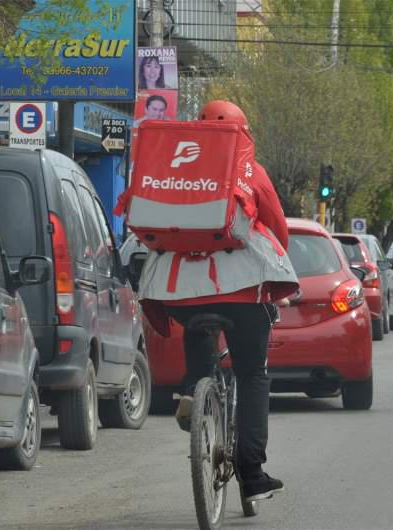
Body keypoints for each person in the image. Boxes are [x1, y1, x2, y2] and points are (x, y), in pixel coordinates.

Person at [139, 100, 299, 502]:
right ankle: (252, 473)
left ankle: (194, 388)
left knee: (197, 324)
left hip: (176, 289)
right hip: (242, 293)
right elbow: (277, 227)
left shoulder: (173, 163)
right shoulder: (249, 168)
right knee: (252, 374)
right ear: (243, 132)